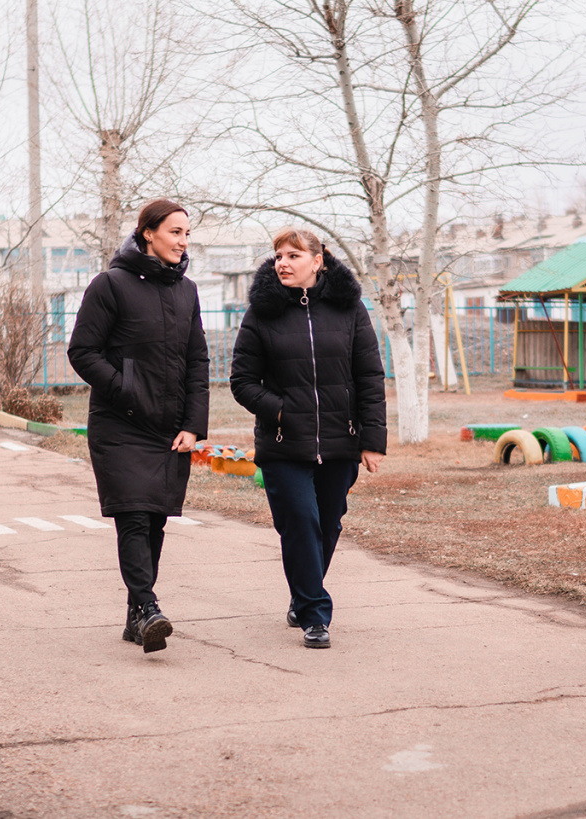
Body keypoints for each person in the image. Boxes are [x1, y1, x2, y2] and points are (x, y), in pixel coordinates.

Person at [230, 227, 386, 649]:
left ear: (318, 261)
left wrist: (372, 439)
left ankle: (302, 597)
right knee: (300, 522)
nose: (283, 262)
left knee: (327, 524)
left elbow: (369, 376)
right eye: (278, 255)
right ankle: (315, 614)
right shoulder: (262, 313)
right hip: (284, 444)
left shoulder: (350, 310)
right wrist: (282, 410)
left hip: (340, 440)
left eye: (293, 255)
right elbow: (242, 381)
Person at [68, 199, 209, 654]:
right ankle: (148, 607)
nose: (183, 241)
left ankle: (135, 619)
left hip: (169, 429)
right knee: (132, 513)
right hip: (120, 423)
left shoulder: (187, 291)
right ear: (148, 233)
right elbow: (83, 351)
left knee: (153, 521)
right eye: (175, 232)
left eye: (187, 233)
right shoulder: (110, 285)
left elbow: (197, 361)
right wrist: (124, 389)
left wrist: (193, 424)